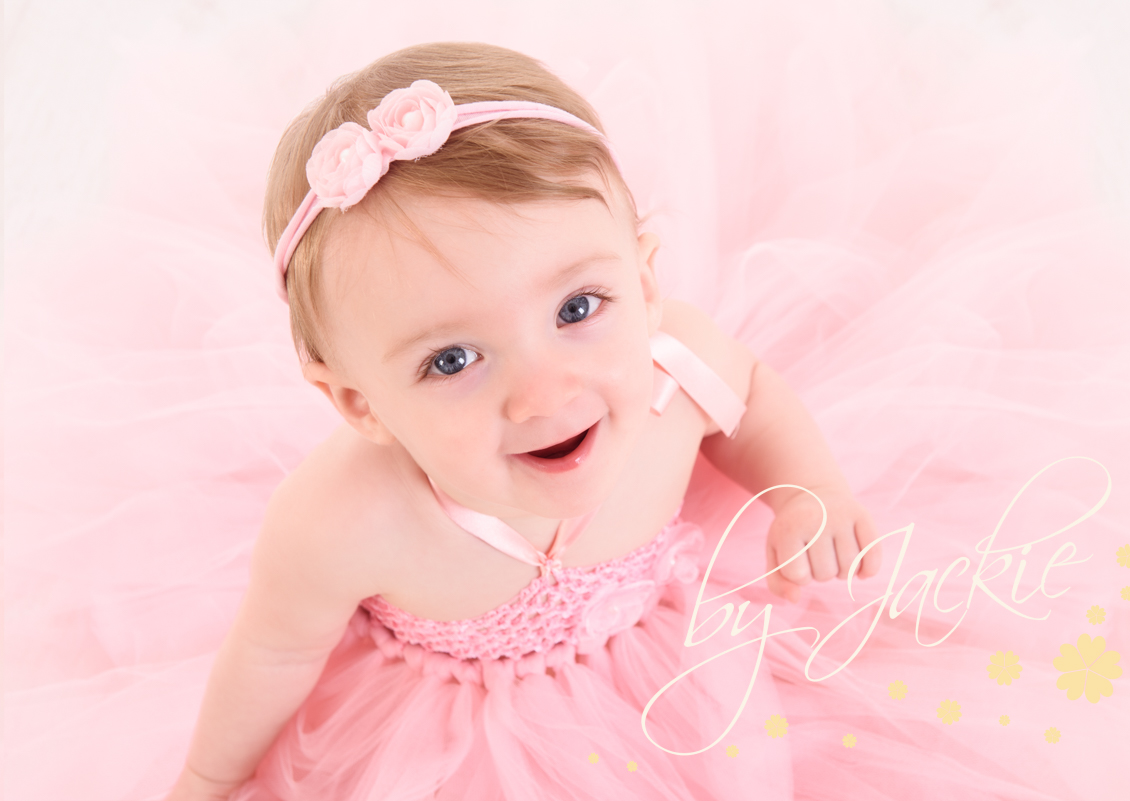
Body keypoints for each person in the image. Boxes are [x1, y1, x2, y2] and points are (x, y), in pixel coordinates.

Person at [167, 41, 881, 801]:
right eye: (451, 360)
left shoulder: (678, 373)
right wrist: (212, 776)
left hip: (690, 675)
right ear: (359, 403)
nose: (543, 395)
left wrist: (807, 487)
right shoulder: (345, 520)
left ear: (642, 282)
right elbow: (274, 652)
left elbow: (754, 399)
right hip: (457, 743)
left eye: (577, 308)